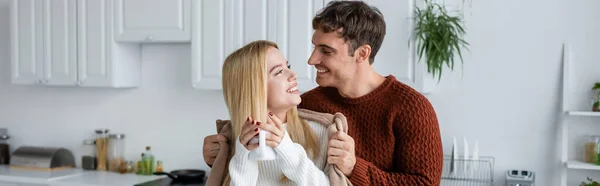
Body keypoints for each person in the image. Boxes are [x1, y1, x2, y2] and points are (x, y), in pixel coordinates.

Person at [203, 1, 444, 185]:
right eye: (314, 47)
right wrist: (221, 153)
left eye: (325, 51)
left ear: (361, 54)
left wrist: (354, 168)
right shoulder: (309, 105)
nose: (311, 60)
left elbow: (424, 183)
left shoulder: (411, 108)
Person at [207, 40, 352, 186]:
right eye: (279, 71)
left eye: (287, 66)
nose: (293, 74)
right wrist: (244, 157)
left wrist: (287, 150)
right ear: (254, 88)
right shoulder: (230, 144)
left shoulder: (322, 132)